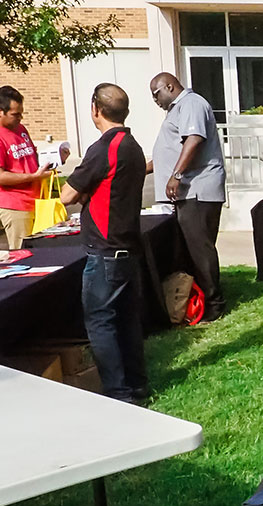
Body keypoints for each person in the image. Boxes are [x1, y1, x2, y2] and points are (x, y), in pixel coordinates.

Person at [59, 84, 148, 404]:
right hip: (127, 248)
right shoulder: (133, 146)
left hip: (106, 251)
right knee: (125, 321)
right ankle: (136, 386)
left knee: (100, 322)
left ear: (95, 109)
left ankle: (118, 394)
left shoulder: (104, 148)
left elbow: (67, 195)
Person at [148, 73, 226, 321]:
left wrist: (177, 175)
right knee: (191, 250)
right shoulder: (176, 109)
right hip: (188, 190)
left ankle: (214, 305)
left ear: (169, 86)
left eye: (156, 93)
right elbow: (169, 151)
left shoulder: (191, 103)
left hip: (198, 189)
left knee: (200, 250)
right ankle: (198, 300)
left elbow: (194, 140)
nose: (154, 100)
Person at [0, 86, 50, 250]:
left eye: (21, 113)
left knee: (47, 252)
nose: (20, 118)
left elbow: (31, 158)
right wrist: (33, 177)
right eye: (15, 114)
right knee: (25, 255)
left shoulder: (20, 129)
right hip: (15, 206)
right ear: (1, 112)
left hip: (37, 202)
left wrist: (54, 158)